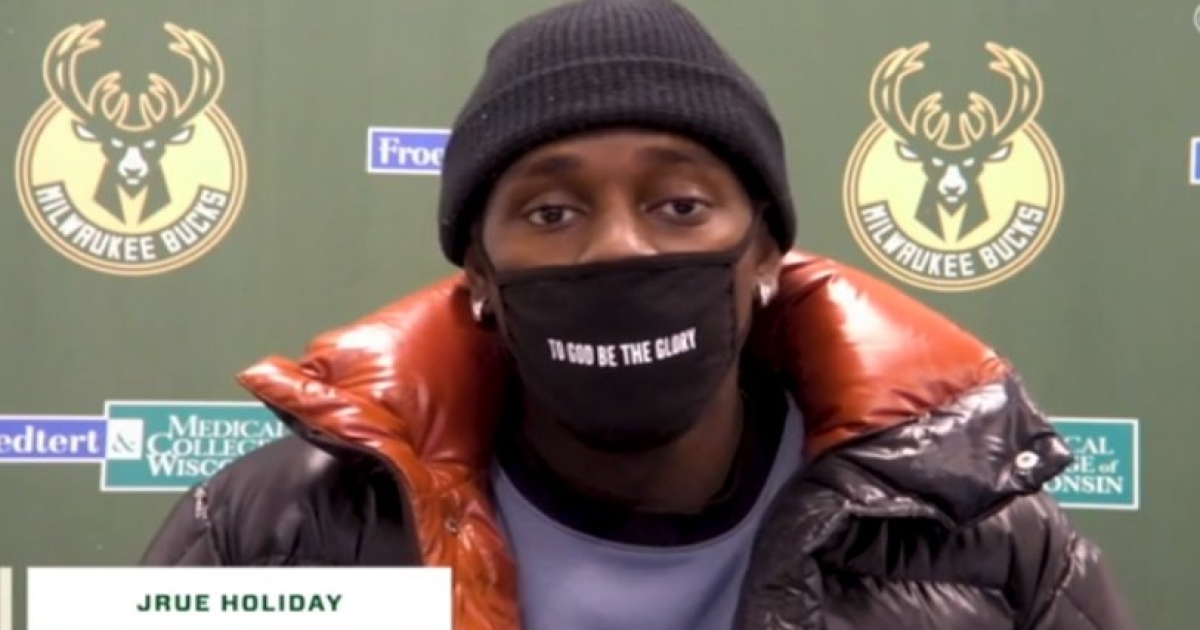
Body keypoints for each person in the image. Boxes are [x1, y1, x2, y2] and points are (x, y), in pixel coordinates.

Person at [140, 1, 1137, 628]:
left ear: (765, 254)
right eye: (552, 212)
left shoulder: (986, 537)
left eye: (680, 204)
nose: (619, 248)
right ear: (478, 273)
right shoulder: (273, 527)